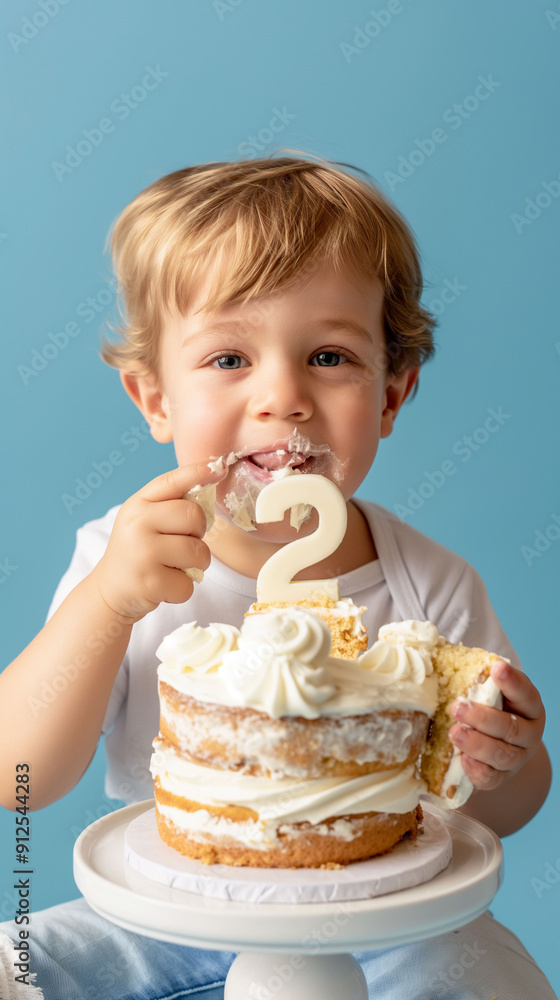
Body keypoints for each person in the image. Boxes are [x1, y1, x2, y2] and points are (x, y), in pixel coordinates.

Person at [0, 155, 555, 999]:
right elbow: (19, 778)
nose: (283, 396)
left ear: (393, 395)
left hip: (381, 916)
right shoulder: (124, 560)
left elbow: (504, 811)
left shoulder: (431, 587)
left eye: (329, 356)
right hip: (168, 902)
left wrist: (510, 764)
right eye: (228, 359)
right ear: (154, 399)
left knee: (494, 979)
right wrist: (109, 602)